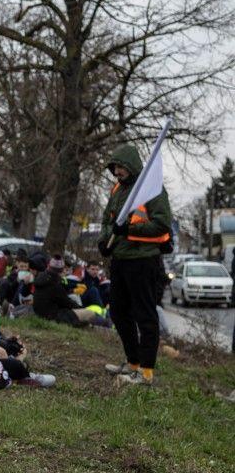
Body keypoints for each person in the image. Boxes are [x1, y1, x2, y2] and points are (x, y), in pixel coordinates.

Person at [97, 144, 172, 385]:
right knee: (118, 311)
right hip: (120, 260)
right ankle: (133, 363)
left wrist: (128, 230)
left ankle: (147, 372)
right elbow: (107, 221)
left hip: (143, 262)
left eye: (120, 167)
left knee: (145, 315)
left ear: (131, 165)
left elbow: (162, 225)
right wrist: (104, 241)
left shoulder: (152, 189)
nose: (116, 172)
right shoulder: (117, 189)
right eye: (114, 167)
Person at [32, 257, 102, 327]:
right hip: (54, 317)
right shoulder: (55, 284)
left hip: (42, 314)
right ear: (59, 271)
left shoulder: (42, 279)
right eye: (64, 270)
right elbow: (67, 303)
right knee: (89, 313)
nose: (65, 272)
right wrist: (82, 308)